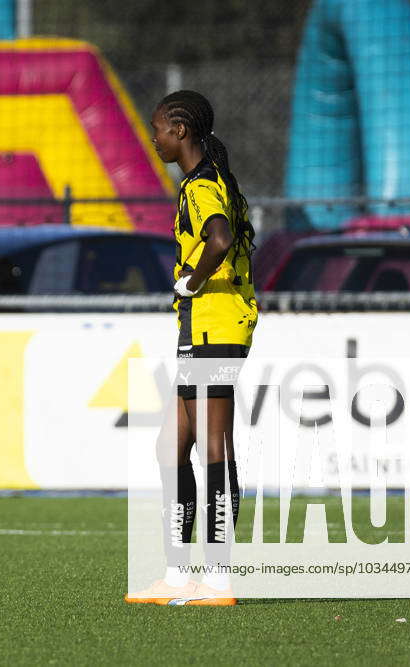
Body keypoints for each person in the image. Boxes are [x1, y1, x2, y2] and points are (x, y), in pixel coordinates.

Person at [125, 90, 258, 607]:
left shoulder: (200, 185)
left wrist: (192, 282)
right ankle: (179, 576)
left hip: (214, 325)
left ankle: (219, 579)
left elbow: (219, 239)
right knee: (170, 446)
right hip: (202, 328)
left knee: (213, 446)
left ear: (179, 131)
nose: (153, 138)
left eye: (157, 129)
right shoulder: (214, 180)